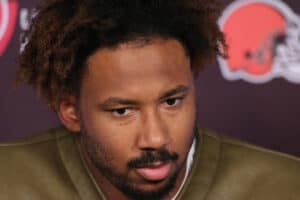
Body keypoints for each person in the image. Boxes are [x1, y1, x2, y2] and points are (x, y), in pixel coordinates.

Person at [1, 0, 300, 199]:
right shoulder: (9, 181)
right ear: (71, 112)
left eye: (171, 102)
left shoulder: (284, 187)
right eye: (122, 111)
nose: (156, 138)